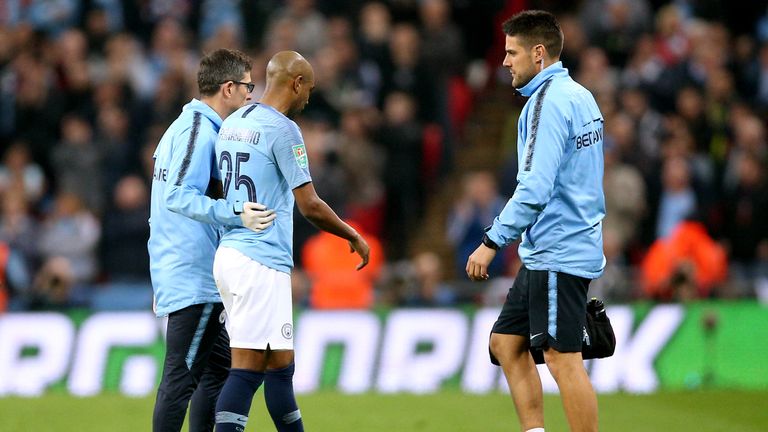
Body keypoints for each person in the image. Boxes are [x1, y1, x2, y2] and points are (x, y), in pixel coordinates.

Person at [212, 50, 370, 432]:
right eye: (309, 89)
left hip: (232, 254)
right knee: (247, 370)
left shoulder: (233, 122)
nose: (309, 98)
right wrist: (352, 234)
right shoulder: (283, 129)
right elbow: (310, 204)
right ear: (296, 83)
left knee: (280, 366)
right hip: (259, 261)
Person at [465, 11, 605, 432]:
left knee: (563, 360)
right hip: (564, 244)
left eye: (512, 52)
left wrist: (491, 241)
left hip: (557, 250)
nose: (505, 61)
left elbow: (535, 188)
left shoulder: (546, 103)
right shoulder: (582, 96)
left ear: (538, 54)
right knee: (506, 342)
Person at [148, 48, 277, 432]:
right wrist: (236, 213)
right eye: (248, 87)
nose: (251, 95)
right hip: (195, 275)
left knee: (219, 370)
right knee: (180, 379)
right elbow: (176, 195)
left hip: (190, 269)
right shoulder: (197, 132)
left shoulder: (181, 128)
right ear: (228, 88)